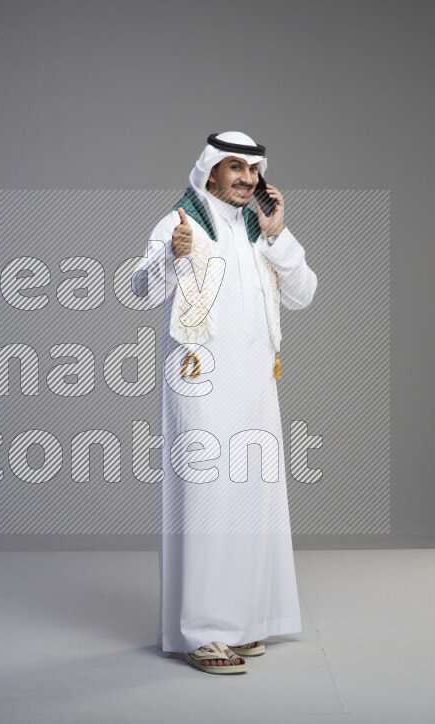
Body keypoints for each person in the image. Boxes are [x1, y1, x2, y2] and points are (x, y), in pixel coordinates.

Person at [131, 131, 318, 674]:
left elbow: (304, 293)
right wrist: (171, 255)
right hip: (200, 384)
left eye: (253, 170)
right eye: (234, 167)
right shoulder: (179, 222)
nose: (246, 179)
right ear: (210, 171)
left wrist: (279, 235)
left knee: (253, 500)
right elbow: (140, 288)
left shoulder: (261, 228)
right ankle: (203, 631)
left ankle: (243, 624)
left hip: (257, 386)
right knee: (208, 500)